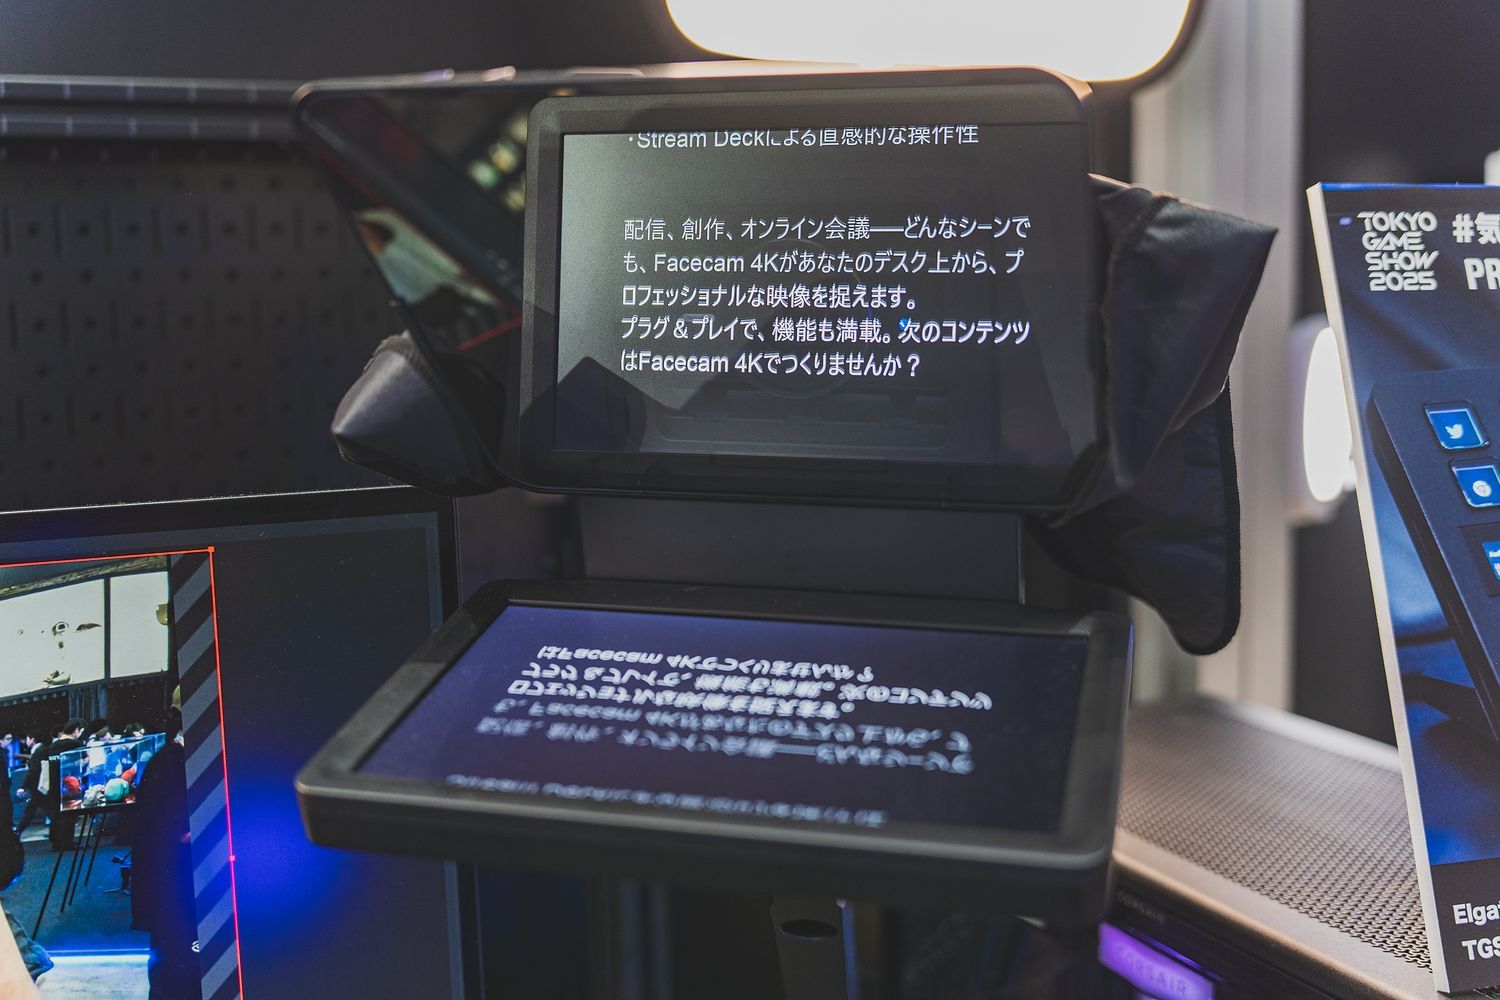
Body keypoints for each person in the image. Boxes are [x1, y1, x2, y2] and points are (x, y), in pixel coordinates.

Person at [16, 720, 85, 850]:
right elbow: (81, 761)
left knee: (55, 814)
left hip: (50, 785)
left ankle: (57, 842)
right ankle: (66, 842)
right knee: (66, 813)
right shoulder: (73, 744)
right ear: (76, 730)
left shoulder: (51, 747)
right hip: (66, 783)